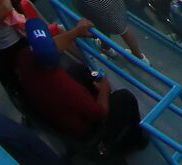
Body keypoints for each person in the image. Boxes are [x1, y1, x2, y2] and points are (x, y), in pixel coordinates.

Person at [14, 11, 147, 155]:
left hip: (50, 108)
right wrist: (104, 89)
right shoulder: (61, 83)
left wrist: (75, 32)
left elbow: (50, 47)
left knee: (78, 70)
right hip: (84, 131)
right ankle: (133, 140)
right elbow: (99, 113)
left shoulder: (24, 56)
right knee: (125, 98)